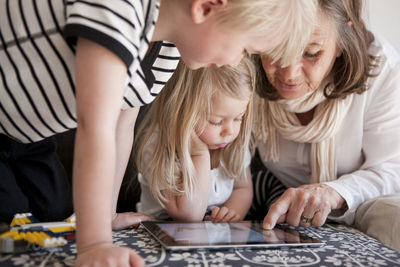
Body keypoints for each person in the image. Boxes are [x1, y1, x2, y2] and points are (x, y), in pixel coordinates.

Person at [0, 0, 319, 265]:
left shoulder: (165, 54)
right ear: (206, 8)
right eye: (243, 47)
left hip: (25, 137)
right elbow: (95, 127)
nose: (235, 60)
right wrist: (95, 243)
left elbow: (120, 127)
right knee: (12, 231)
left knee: (51, 219)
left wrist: (106, 217)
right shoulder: (118, 10)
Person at [251, 0, 400, 248]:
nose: (290, 73)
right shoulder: (244, 61)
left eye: (311, 53)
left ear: (343, 40)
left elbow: (392, 170)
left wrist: (332, 192)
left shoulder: (382, 66)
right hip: (278, 204)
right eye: (276, 49)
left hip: (364, 202)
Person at [136, 58, 254, 222]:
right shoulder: (158, 148)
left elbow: (242, 188)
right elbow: (188, 215)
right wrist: (199, 153)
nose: (230, 131)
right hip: (163, 231)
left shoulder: (233, 144)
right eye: (216, 121)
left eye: (238, 118)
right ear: (181, 112)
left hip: (213, 235)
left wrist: (231, 212)